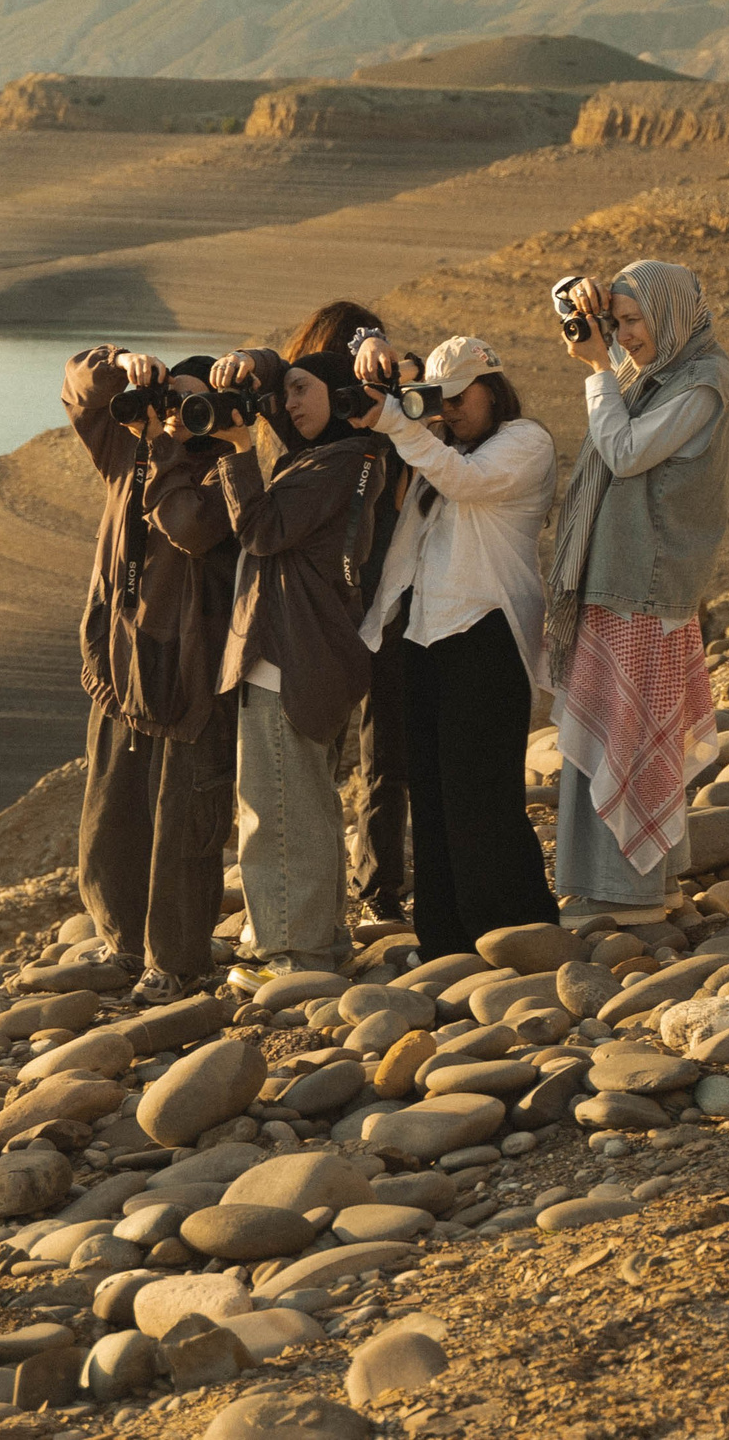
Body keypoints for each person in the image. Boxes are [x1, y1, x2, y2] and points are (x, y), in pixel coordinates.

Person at [350, 333, 558, 956]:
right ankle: (445, 939)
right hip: (423, 636)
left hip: (486, 633)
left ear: (492, 390)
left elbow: (465, 483)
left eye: (460, 395)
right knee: (433, 795)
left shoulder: (526, 443)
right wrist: (389, 388)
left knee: (481, 792)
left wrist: (397, 420)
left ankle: (514, 927)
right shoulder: (436, 449)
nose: (451, 408)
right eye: (439, 397)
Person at [545, 261, 729, 925]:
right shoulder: (659, 374)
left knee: (625, 738)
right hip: (620, 581)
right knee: (612, 730)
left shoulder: (701, 385)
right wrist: (578, 297)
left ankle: (624, 894)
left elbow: (625, 451)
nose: (622, 338)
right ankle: (631, 883)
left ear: (672, 317)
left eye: (633, 322)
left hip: (645, 588)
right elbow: (564, 301)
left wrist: (597, 372)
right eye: (615, 323)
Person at [59, 346, 239, 1005]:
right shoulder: (125, 454)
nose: (178, 416)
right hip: (124, 664)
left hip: (192, 676)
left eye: (193, 406)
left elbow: (190, 527)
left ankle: (177, 961)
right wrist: (124, 367)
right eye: (172, 402)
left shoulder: (228, 473)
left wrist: (163, 444)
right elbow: (80, 392)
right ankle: (121, 943)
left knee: (183, 826)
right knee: (111, 818)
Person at [204, 345, 387, 984]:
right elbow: (272, 377)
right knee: (305, 802)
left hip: (286, 653)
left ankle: (291, 953)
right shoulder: (343, 458)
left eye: (304, 390)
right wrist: (252, 368)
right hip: (306, 650)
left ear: (339, 395)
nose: (289, 404)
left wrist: (233, 452)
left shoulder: (338, 463)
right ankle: (320, 940)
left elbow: (259, 530)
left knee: (277, 806)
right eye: (286, 392)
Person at [284, 301, 414, 924]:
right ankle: (377, 895)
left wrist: (376, 347)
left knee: (336, 752)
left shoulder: (373, 410)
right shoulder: (308, 422)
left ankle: (338, 901)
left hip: (346, 601)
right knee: (376, 753)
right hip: (377, 596)